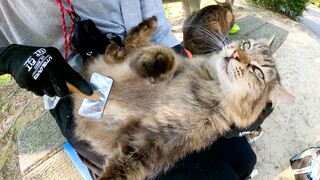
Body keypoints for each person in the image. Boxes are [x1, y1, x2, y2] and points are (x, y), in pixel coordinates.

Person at [0, 0, 273, 179]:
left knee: (243, 159)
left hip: (153, 58)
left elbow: (156, 27)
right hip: (76, 85)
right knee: (208, 174)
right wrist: (8, 57)